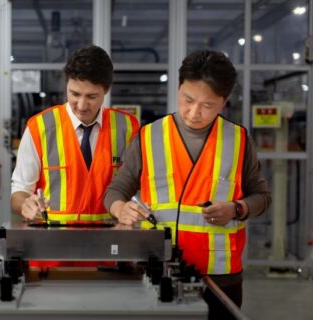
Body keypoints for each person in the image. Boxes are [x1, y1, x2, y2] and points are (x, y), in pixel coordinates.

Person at [104, 50, 271, 319]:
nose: (194, 112)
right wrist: (120, 208)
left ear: (223, 102)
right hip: (159, 268)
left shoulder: (239, 140)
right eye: (188, 99)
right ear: (178, 88)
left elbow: (262, 197)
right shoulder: (149, 136)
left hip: (220, 275)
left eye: (208, 105)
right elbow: (115, 191)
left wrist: (236, 209)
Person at [11, 45, 139, 266]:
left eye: (91, 96)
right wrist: (25, 205)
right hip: (51, 253)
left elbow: (138, 187)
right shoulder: (39, 127)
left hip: (110, 252)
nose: (81, 105)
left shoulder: (128, 127)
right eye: (74, 94)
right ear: (66, 86)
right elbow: (19, 190)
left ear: (106, 90)